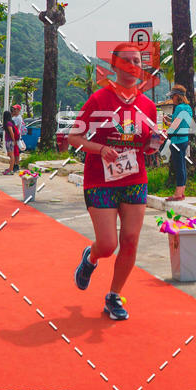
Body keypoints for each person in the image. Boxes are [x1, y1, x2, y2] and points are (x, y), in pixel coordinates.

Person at [69, 42, 159, 321]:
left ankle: (113, 296)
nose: (133, 66)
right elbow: (74, 138)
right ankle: (91, 257)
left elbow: (148, 142)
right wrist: (101, 149)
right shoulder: (99, 100)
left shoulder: (148, 106)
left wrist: (154, 144)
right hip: (100, 180)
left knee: (130, 241)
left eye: (138, 61)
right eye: (127, 61)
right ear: (115, 67)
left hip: (134, 178)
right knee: (108, 244)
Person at [164, 84, 194, 202]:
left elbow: (174, 126)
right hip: (184, 139)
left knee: (179, 167)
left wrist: (166, 126)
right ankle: (182, 193)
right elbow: (182, 123)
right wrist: (170, 122)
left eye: (173, 96)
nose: (172, 99)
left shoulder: (179, 108)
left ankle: (177, 194)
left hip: (176, 140)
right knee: (182, 166)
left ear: (177, 96)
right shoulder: (188, 108)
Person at [2, 110, 19, 175]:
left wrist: (14, 140)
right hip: (9, 140)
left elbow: (11, 132)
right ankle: (10, 168)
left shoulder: (8, 123)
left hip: (10, 141)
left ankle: (11, 169)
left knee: (12, 155)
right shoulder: (10, 122)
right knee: (9, 154)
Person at [11, 104, 26, 172]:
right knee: (14, 152)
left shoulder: (18, 118)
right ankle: (14, 164)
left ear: (19, 110)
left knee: (16, 152)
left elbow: (15, 128)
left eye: (15, 109)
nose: (14, 110)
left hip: (16, 136)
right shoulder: (14, 117)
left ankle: (16, 165)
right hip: (13, 136)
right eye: (13, 109)